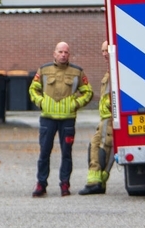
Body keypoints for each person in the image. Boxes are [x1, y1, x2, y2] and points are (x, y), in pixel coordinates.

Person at [28, 41, 93, 197]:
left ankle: (65, 184)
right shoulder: (44, 70)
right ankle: (41, 184)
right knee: (44, 153)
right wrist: (41, 102)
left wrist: (76, 104)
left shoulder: (77, 72)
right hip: (47, 119)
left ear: (69, 54)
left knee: (66, 154)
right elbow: (33, 89)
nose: (63, 55)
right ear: (54, 53)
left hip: (67, 119)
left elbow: (88, 92)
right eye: (60, 52)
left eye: (66, 52)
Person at [79, 41, 113, 195]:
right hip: (104, 119)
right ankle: (94, 181)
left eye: (106, 50)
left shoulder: (117, 70)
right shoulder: (109, 71)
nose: (104, 54)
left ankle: (98, 182)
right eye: (102, 51)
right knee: (94, 145)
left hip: (110, 119)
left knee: (104, 149)